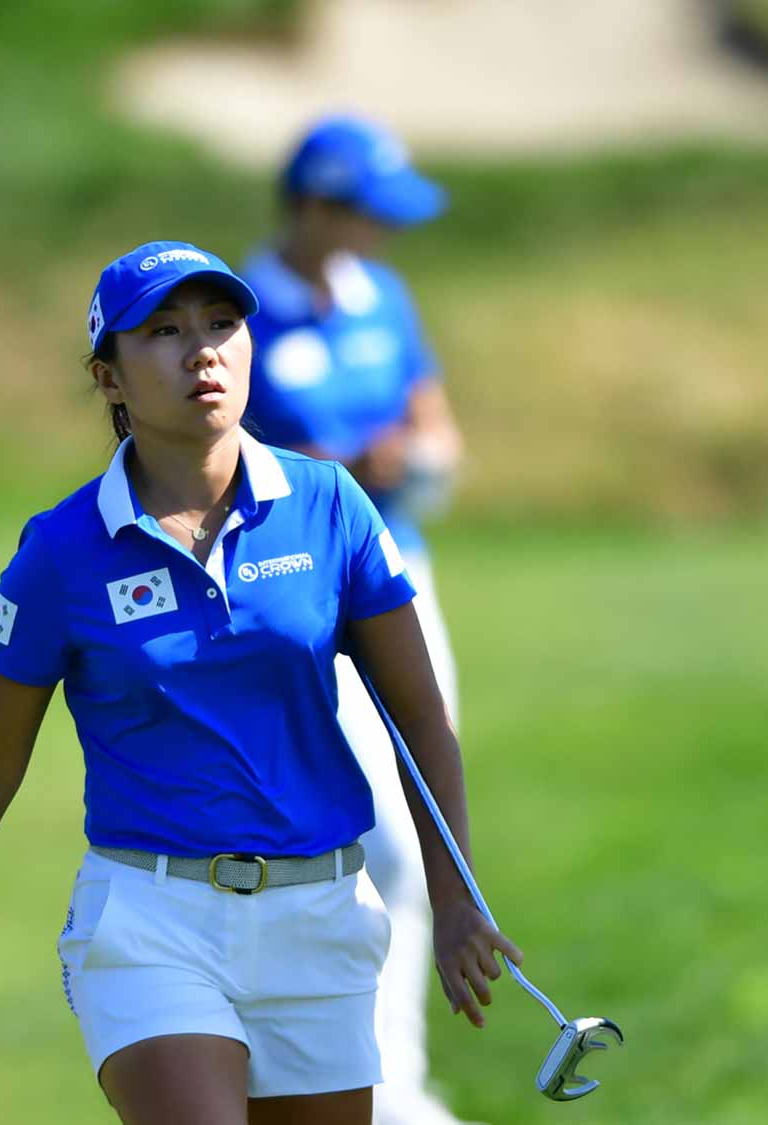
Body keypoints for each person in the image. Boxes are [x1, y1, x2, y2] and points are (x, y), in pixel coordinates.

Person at [0, 241, 519, 1125]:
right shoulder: (59, 553)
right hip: (151, 921)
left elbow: (421, 721)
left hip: (319, 918)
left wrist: (456, 896)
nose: (201, 350)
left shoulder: (332, 506)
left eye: (220, 325)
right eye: (163, 332)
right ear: (110, 379)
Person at [236, 117, 470, 1125]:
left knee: (413, 843)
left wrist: (417, 460)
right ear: (315, 205)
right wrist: (336, 474)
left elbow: (434, 423)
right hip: (289, 612)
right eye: (365, 212)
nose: (380, 233)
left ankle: (395, 1088)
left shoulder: (384, 298)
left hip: (401, 587)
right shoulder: (242, 318)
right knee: (343, 846)